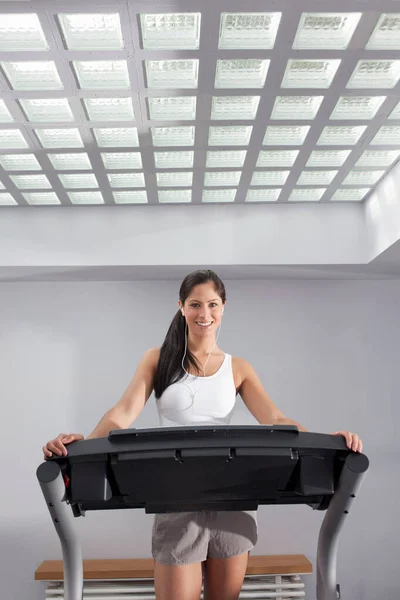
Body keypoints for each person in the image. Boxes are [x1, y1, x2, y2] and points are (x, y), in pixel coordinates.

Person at [42, 269, 363, 600]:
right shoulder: (158, 359)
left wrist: (328, 444)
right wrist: (82, 449)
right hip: (176, 495)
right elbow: (122, 413)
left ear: (223, 307)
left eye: (212, 304)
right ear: (181, 307)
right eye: (195, 304)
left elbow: (276, 419)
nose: (204, 314)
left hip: (233, 497)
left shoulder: (238, 368)